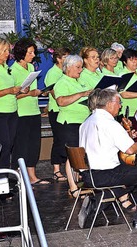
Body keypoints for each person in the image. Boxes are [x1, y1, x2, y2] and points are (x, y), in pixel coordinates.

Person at [78, 88, 137, 228]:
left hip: (88, 174)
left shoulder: (86, 123)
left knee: (134, 172)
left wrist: (127, 138)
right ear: (109, 104)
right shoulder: (110, 123)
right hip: (105, 173)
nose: (120, 106)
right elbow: (129, 149)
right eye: (119, 102)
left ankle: (98, 202)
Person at [53, 55, 92, 198]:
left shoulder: (81, 81)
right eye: (78, 67)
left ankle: (78, 184)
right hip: (69, 123)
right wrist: (81, 94)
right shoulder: (62, 82)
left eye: (81, 67)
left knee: (80, 155)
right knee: (72, 155)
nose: (81, 70)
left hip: (83, 122)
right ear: (68, 67)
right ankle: (73, 187)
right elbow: (61, 101)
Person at [10, 38, 47, 184]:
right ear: (21, 53)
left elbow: (31, 91)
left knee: (34, 144)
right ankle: (21, 177)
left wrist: (38, 92)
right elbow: (12, 96)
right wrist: (28, 93)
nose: (32, 55)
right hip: (21, 113)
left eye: (33, 52)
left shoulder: (31, 68)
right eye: (30, 52)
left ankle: (32, 176)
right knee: (22, 145)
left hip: (33, 110)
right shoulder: (13, 70)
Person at [0, 37, 25, 171]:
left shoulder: (6, 68)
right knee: (3, 144)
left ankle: (4, 176)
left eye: (8, 51)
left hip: (12, 111)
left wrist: (19, 91)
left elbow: (10, 92)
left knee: (9, 145)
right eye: (4, 51)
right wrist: (8, 90)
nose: (7, 54)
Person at [44, 47, 70, 182]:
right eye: (65, 57)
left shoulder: (65, 72)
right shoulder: (53, 73)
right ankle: (56, 170)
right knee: (59, 139)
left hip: (66, 111)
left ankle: (68, 167)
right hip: (56, 110)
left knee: (66, 140)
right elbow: (55, 93)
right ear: (58, 59)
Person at [119, 48, 137, 118]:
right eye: (131, 60)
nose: (135, 62)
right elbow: (123, 94)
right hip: (129, 112)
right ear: (125, 62)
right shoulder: (122, 75)